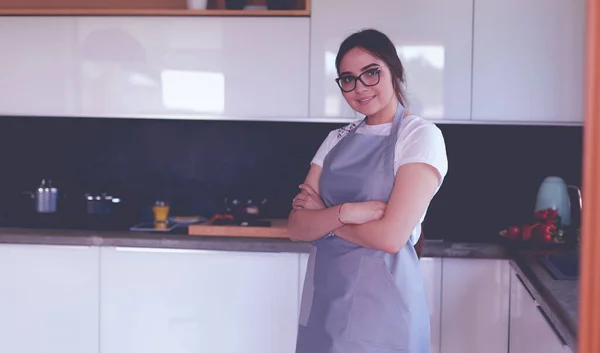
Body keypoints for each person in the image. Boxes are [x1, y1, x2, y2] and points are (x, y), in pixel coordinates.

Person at [288, 28, 448, 353]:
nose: (359, 87)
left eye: (370, 73)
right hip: (325, 303)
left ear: (395, 71)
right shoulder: (336, 139)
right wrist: (348, 212)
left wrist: (327, 219)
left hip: (384, 315)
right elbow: (296, 226)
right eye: (348, 79)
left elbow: (390, 238)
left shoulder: (419, 136)